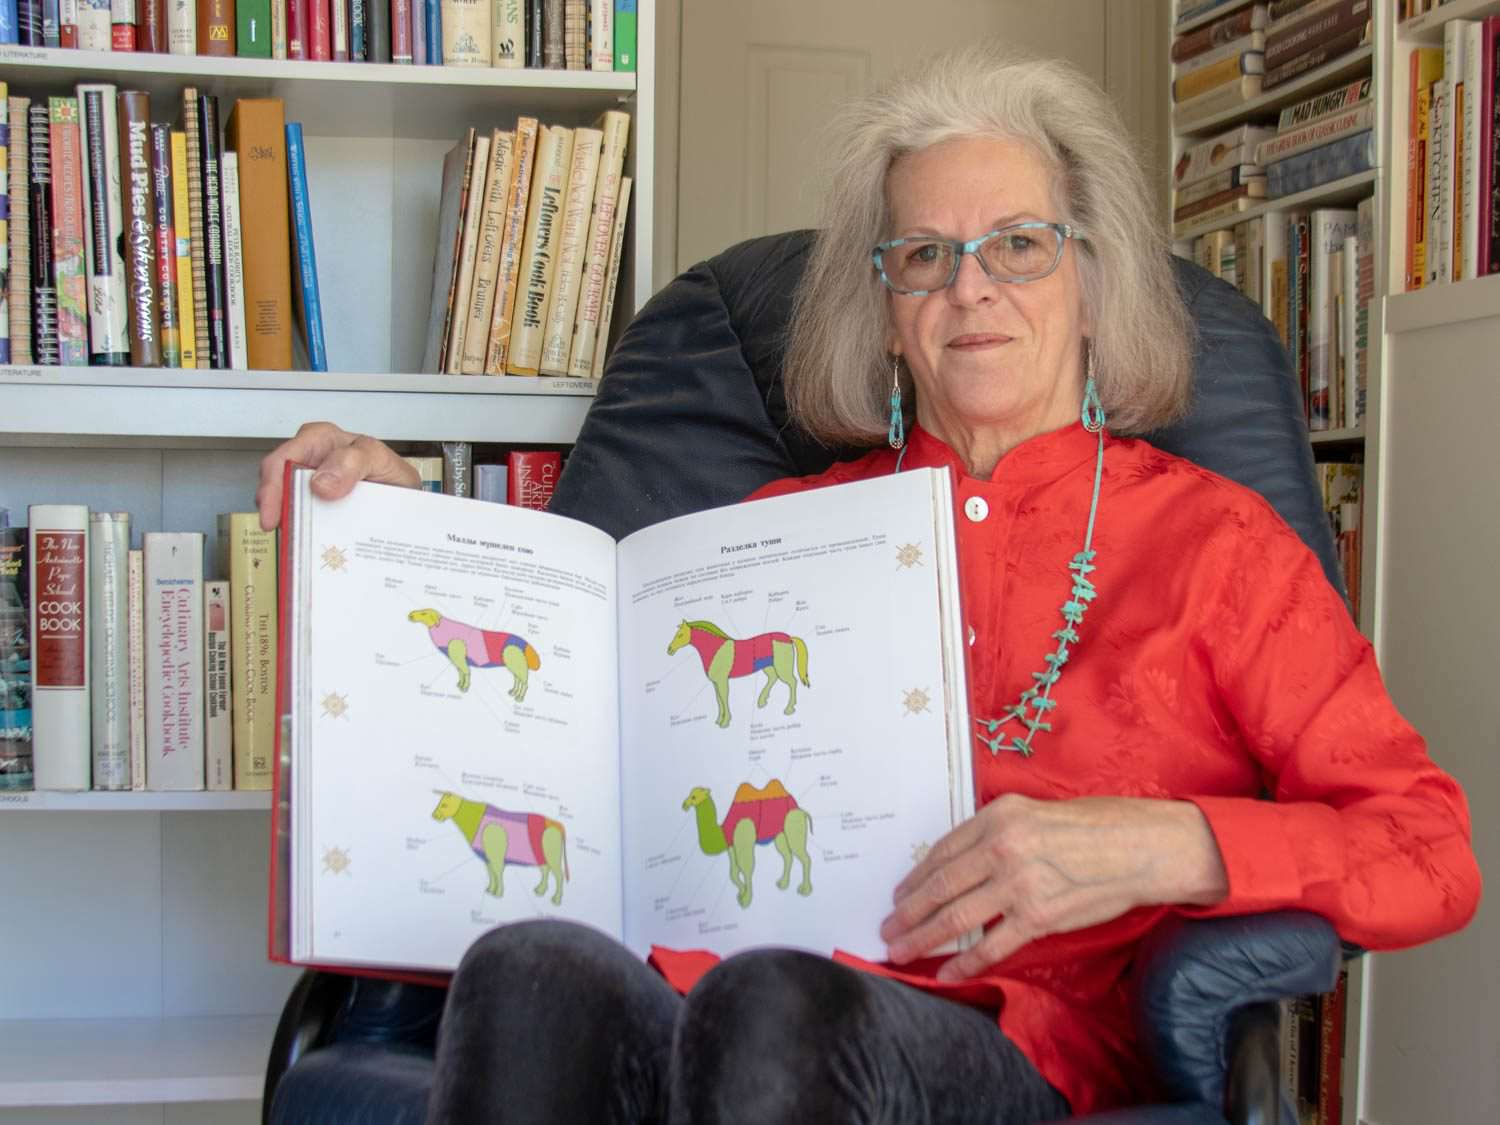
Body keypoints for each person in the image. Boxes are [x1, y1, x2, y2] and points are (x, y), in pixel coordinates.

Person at [256, 46, 1481, 1124]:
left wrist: (1173, 846)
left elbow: (1430, 851)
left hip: (998, 1031)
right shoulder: (776, 534)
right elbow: (573, 695)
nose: (970, 287)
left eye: (1018, 244)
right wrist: (397, 538)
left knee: (776, 1003)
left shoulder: (1221, 548)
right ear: (887, 311)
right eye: (924, 256)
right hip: (695, 982)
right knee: (527, 971)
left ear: (1092, 282)